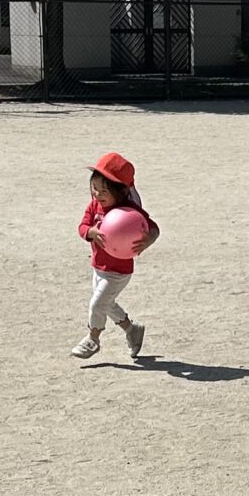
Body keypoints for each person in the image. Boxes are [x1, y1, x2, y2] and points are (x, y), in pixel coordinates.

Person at [74, 150, 158, 360]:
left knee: (97, 304)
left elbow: (153, 228)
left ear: (120, 192)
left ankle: (93, 339)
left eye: (104, 190)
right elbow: (82, 227)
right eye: (95, 188)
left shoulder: (129, 211)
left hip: (119, 271)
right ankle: (132, 330)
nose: (98, 194)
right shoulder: (94, 206)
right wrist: (90, 232)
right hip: (98, 266)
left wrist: (149, 239)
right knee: (107, 304)